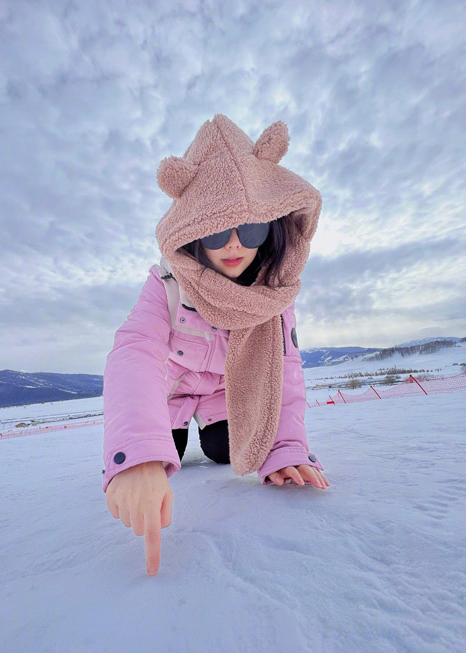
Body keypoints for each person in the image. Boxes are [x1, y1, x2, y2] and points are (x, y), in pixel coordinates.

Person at [103, 114, 329, 576]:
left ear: (271, 227)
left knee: (230, 451)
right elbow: (135, 351)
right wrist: (137, 455)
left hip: (223, 395)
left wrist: (286, 448)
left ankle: (208, 429)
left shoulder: (272, 292)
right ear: (192, 231)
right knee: (165, 451)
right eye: (214, 230)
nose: (233, 245)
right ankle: (172, 432)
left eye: (250, 229)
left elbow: (281, 369)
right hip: (168, 390)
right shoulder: (166, 283)